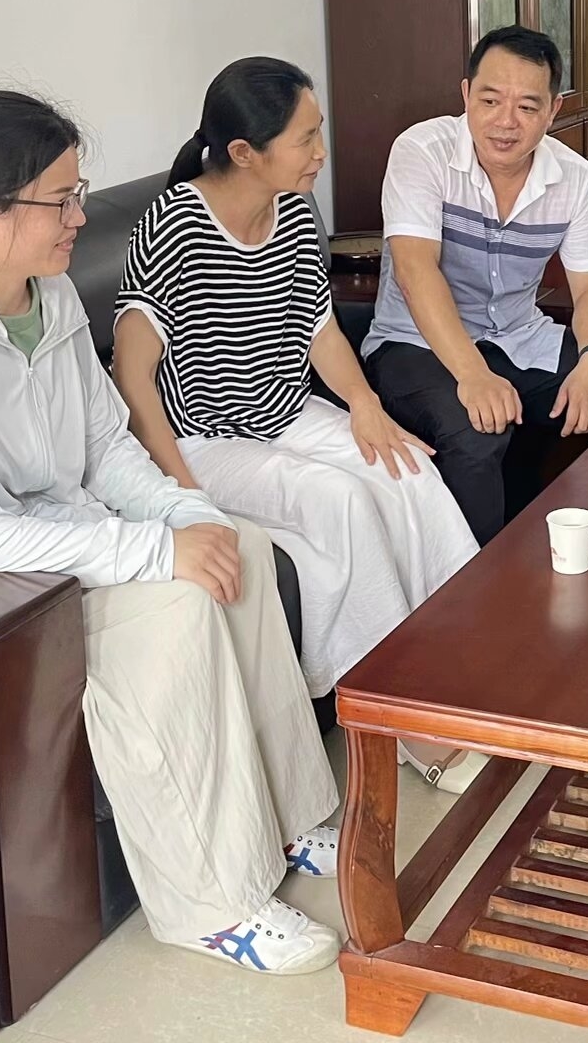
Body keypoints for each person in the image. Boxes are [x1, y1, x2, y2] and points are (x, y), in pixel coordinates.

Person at [0, 90, 343, 977]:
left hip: (39, 535)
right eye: (61, 200)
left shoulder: (54, 296)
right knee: (177, 604)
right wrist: (150, 550)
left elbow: (105, 446)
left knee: (242, 549)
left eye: (79, 192)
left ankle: (288, 820)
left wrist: (187, 516)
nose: (80, 216)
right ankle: (211, 904)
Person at [112, 57, 483, 791]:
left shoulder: (293, 212)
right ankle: (395, 722)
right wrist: (179, 490)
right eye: (306, 139)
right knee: (340, 500)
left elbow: (320, 328)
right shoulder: (175, 224)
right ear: (244, 152)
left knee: (408, 470)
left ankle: (462, 667)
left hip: (285, 413)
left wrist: (366, 407)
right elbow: (131, 372)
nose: (321, 152)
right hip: (203, 441)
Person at [361, 26, 588, 544]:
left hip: (518, 337)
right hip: (416, 344)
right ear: (466, 94)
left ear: (553, 110)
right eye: (490, 101)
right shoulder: (422, 151)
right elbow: (417, 273)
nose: (506, 121)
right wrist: (473, 374)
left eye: (527, 107)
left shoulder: (573, 177)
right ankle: (475, 584)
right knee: (476, 429)